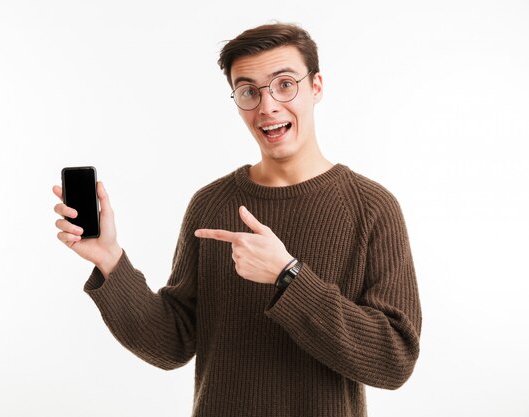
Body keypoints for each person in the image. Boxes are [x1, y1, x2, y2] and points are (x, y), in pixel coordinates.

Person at [53, 22, 421, 417]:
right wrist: (110, 260)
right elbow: (173, 343)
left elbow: (394, 360)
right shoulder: (211, 203)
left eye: (284, 84)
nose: (267, 107)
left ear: (316, 86)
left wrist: (289, 276)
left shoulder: (372, 207)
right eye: (249, 92)